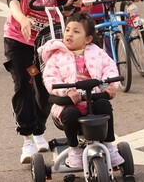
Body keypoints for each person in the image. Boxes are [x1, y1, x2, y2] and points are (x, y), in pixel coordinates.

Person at [3, 0, 81, 164]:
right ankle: (27, 139)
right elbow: (13, 2)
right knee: (24, 85)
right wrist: (22, 18)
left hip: (48, 40)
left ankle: (38, 131)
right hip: (19, 40)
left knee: (46, 87)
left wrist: (74, 5)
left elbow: (63, 7)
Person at [41, 12, 125, 168]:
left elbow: (109, 68)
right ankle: (74, 149)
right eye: (67, 30)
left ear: (88, 39)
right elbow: (50, 79)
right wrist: (67, 92)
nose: (69, 34)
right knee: (70, 114)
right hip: (69, 103)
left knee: (104, 106)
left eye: (76, 31)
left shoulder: (97, 52)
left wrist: (111, 86)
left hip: (93, 98)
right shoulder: (56, 57)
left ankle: (108, 144)